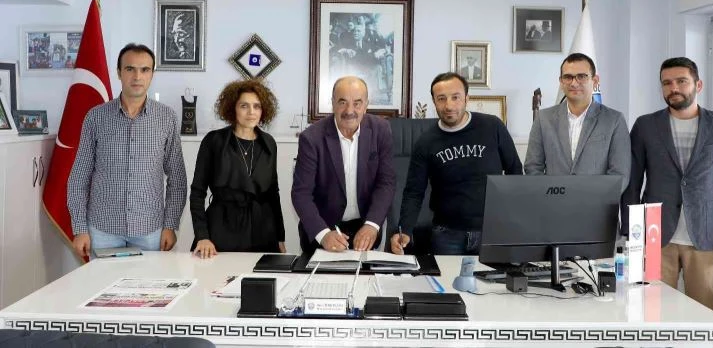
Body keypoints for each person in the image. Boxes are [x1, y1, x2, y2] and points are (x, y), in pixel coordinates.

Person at [621, 57, 713, 310]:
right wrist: (631, 234)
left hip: (707, 236)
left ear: (698, 85)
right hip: (653, 237)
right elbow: (632, 183)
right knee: (650, 311)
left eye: (681, 81)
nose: (674, 88)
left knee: (704, 316)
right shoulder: (645, 126)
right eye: (667, 83)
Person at [67, 43, 187, 258]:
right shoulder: (96, 117)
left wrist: (170, 225)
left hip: (150, 230)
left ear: (152, 74)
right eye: (130, 69)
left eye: (145, 70)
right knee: (102, 281)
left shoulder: (166, 118)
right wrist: (80, 228)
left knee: (148, 281)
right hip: (103, 229)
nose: (137, 76)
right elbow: (79, 176)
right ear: (119, 72)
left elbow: (177, 178)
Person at [390, 72, 522, 255]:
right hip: (446, 235)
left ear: (467, 98)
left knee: (497, 276)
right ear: (434, 101)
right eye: (441, 99)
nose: (449, 105)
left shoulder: (493, 127)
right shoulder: (425, 142)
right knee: (443, 275)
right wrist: (404, 230)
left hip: (492, 231)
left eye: (455, 97)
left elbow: (515, 172)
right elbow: (414, 192)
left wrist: (516, 221)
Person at [291, 76, 395, 252]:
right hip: (324, 229)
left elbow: (386, 182)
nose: (349, 110)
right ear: (333, 103)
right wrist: (323, 234)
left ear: (366, 104)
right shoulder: (311, 138)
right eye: (342, 102)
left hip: (364, 229)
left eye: (357, 103)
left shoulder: (381, 130)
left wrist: (372, 225)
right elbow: (301, 193)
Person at [190, 79, 286, 259]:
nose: (251, 112)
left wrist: (280, 237)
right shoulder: (214, 141)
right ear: (232, 108)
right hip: (221, 230)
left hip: (262, 231)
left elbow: (273, 193)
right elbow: (197, 193)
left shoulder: (269, 143)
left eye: (257, 106)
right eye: (244, 106)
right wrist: (202, 236)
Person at [524, 52, 630, 190]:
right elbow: (533, 168)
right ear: (561, 82)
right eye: (568, 77)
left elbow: (620, 174)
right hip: (553, 202)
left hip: (597, 203)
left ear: (595, 81)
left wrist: (592, 198)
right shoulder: (543, 119)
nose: (574, 83)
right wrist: (551, 196)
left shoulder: (614, 120)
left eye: (581, 76)